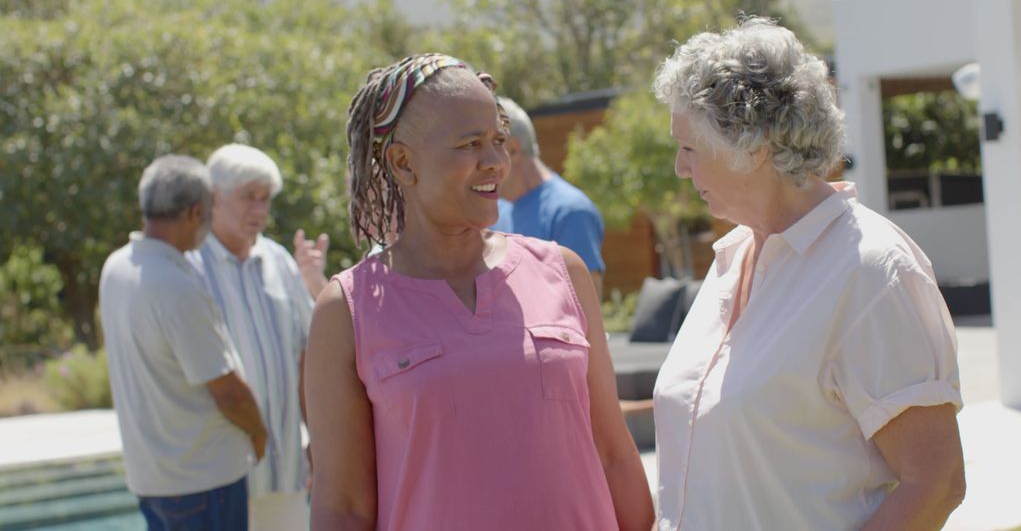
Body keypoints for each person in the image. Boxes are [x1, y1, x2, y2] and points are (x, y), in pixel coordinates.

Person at [304, 53, 653, 530]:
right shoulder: (348, 310)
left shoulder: (561, 272)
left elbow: (613, 452)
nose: (495, 163)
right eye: (470, 144)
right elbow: (343, 507)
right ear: (403, 164)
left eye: (498, 141)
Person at [651, 18, 966, 530]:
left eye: (689, 149)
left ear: (753, 147)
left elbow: (936, 482)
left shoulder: (872, 270)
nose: (680, 169)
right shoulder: (733, 259)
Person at [100, 155, 266, 530]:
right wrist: (259, 434)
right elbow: (228, 392)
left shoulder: (116, 268)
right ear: (195, 212)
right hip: (204, 482)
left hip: (152, 479)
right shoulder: (177, 288)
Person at [187, 144, 318, 530]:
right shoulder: (190, 268)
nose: (259, 210)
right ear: (214, 197)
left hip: (286, 473)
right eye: (249, 198)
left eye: (265, 199)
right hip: (221, 480)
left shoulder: (279, 262)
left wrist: (321, 444)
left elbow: (306, 358)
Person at [489, 96, 606, 295]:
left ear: (513, 149)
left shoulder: (570, 212)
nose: (481, 162)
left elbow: (585, 314)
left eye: (488, 145)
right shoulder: (496, 209)